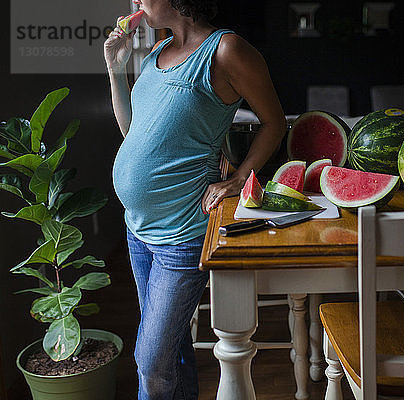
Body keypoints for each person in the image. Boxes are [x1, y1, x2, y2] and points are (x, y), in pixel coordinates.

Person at [103, 0, 286, 398]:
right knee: (175, 351)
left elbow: (274, 122)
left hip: (182, 233)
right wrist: (116, 71)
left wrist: (240, 177)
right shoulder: (156, 53)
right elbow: (132, 132)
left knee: (151, 363)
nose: (135, 2)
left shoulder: (225, 51)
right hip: (138, 229)